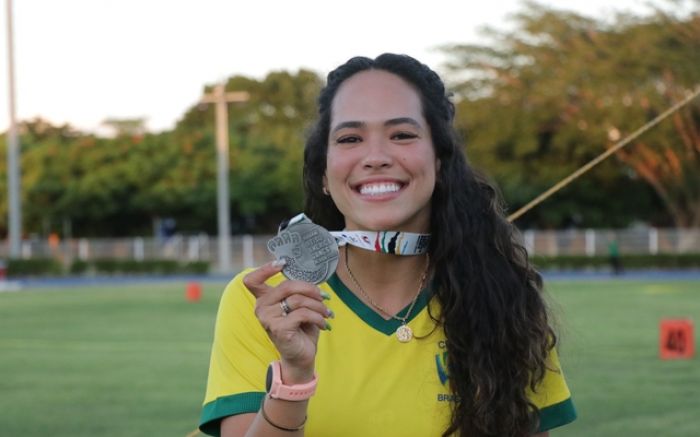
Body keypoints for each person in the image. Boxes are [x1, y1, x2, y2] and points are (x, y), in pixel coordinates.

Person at [199, 53, 577, 437]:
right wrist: (294, 378)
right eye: (350, 139)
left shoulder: (502, 294)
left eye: (402, 135)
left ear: (440, 161)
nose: (376, 157)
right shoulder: (266, 300)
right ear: (324, 175)